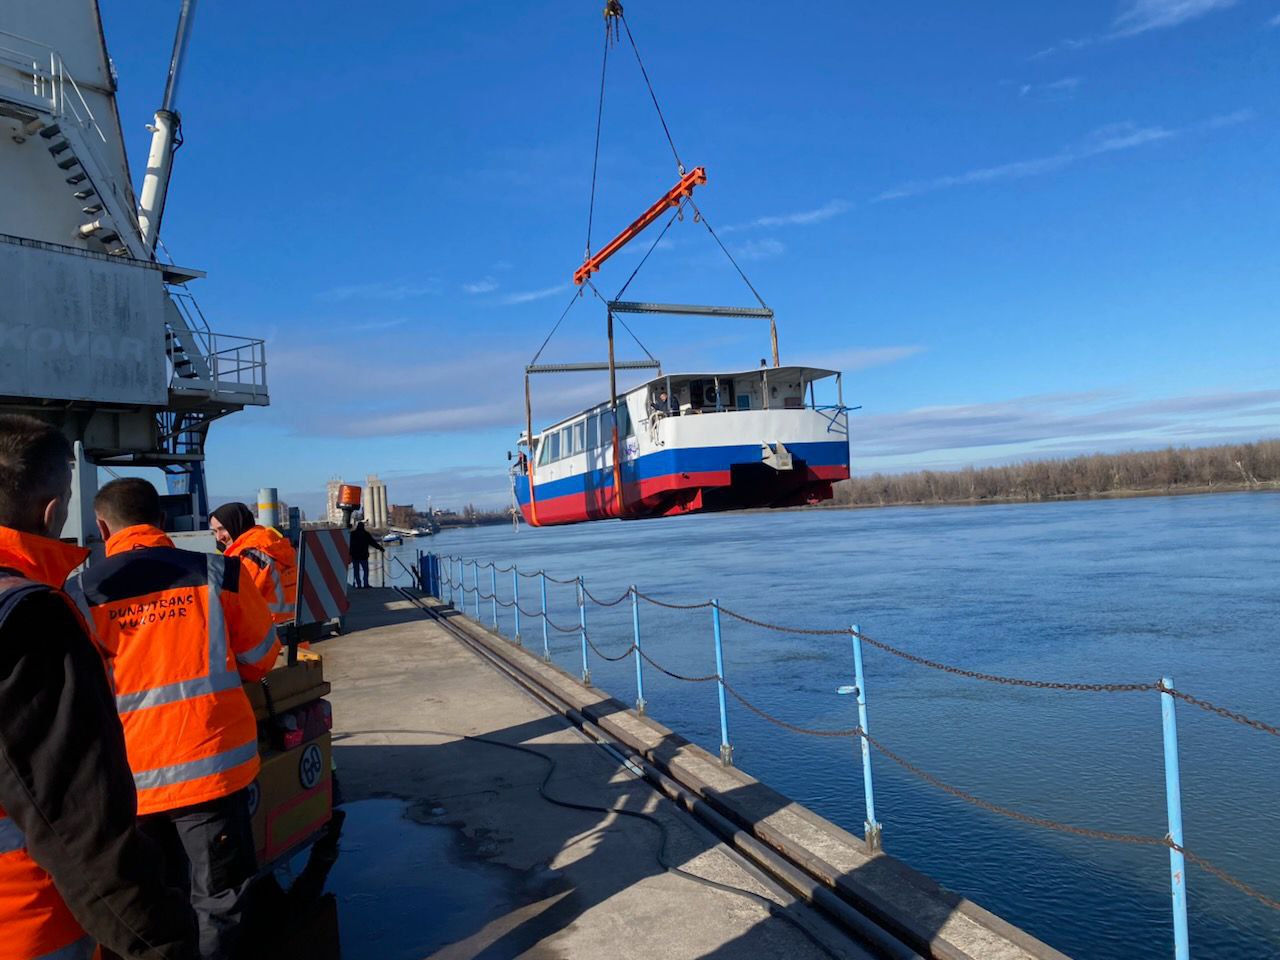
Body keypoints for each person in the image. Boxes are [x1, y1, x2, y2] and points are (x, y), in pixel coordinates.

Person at [0, 414, 198, 960]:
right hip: (32, 923)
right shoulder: (30, 616)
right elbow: (77, 821)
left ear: (104, 526)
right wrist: (160, 942)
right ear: (53, 510)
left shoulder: (84, 589)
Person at [74, 478, 281, 959]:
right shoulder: (219, 574)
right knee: (219, 903)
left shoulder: (79, 593)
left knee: (149, 907)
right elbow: (260, 659)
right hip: (209, 772)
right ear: (162, 521)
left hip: (127, 785)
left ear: (103, 527)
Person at [209, 502, 299, 625]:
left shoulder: (248, 556)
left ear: (236, 524)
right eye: (214, 531)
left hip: (266, 633)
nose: (219, 537)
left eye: (222, 529)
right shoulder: (273, 544)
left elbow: (236, 602)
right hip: (293, 630)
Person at [347, 519, 382, 589]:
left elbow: (349, 544)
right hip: (363, 556)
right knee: (366, 570)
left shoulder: (352, 534)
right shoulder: (366, 534)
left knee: (356, 571)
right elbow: (372, 542)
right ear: (363, 527)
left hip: (355, 556)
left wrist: (349, 554)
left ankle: (359, 585)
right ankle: (366, 584)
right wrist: (380, 548)